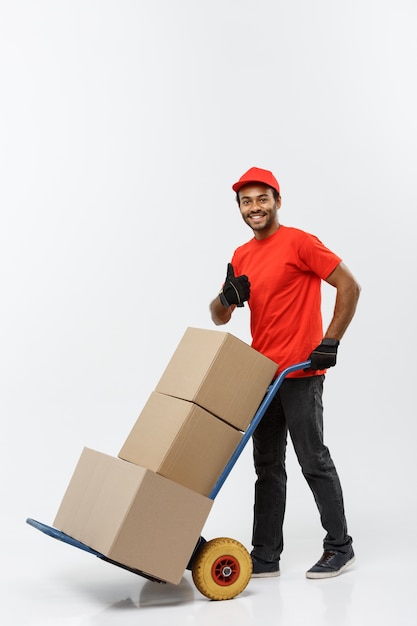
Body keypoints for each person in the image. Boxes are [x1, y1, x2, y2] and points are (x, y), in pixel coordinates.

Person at [209, 166, 361, 579]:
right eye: (246, 201)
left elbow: (349, 286)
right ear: (239, 207)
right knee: (267, 467)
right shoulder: (241, 255)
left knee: (314, 459)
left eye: (262, 199)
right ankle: (265, 556)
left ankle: (340, 547)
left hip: (301, 371)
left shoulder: (300, 243)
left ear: (277, 201)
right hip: (263, 376)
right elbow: (219, 316)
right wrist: (227, 297)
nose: (254, 207)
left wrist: (331, 340)